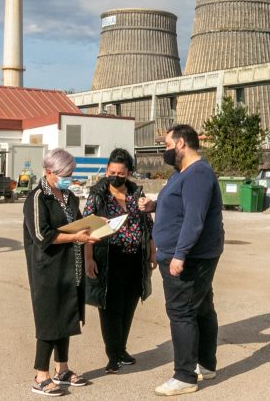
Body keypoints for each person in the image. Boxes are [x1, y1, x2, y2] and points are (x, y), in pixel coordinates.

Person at [141, 125, 224, 396]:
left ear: (180, 144)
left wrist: (180, 255)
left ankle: (185, 376)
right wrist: (154, 206)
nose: (164, 150)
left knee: (182, 312)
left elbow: (194, 218)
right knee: (200, 308)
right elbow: (179, 206)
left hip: (190, 258)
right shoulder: (182, 174)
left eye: (166, 145)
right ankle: (206, 364)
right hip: (186, 254)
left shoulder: (198, 174)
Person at [23, 148, 98, 396]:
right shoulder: (37, 198)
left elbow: (77, 223)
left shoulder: (68, 197)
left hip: (70, 266)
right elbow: (41, 234)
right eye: (65, 174)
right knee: (49, 319)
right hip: (48, 268)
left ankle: (62, 369)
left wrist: (90, 232)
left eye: (71, 173)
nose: (69, 177)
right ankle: (40, 375)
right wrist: (75, 236)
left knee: (67, 315)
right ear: (48, 172)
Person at [83, 147, 157, 374]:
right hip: (109, 258)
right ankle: (113, 354)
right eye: (112, 171)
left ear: (129, 173)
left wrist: (152, 254)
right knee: (110, 309)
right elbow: (87, 228)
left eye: (121, 173)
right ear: (106, 170)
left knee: (128, 307)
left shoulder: (137, 195)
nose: (116, 176)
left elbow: (148, 226)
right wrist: (88, 258)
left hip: (135, 259)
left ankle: (122, 349)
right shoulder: (98, 196)